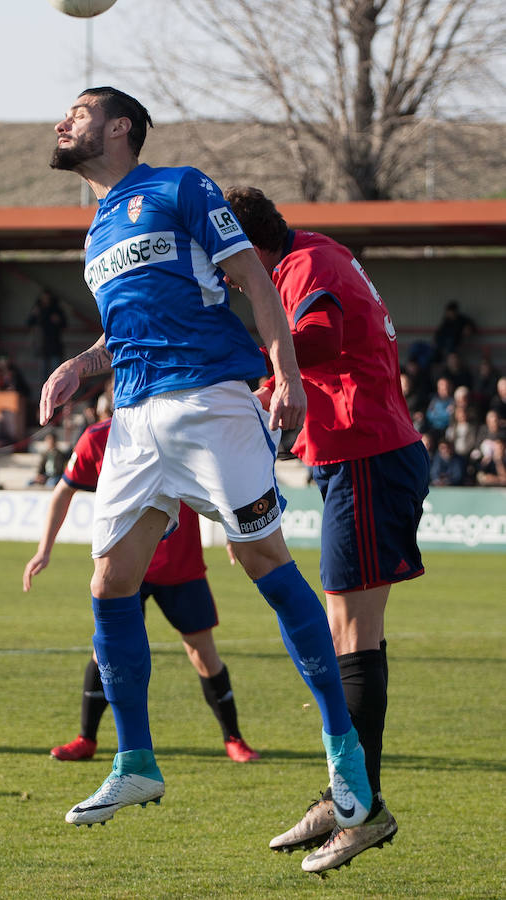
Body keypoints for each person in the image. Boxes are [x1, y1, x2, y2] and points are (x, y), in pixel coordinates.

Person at [41, 86, 371, 853]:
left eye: (79, 112)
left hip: (211, 403)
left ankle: (342, 750)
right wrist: (81, 365)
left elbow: (254, 281)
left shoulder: (181, 186)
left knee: (262, 560)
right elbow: (121, 333)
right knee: (109, 581)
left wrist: (285, 374)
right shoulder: (94, 233)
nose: (62, 122)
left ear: (120, 127)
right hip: (133, 419)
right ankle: (136, 760)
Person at [225, 185, 430, 874]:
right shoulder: (311, 256)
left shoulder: (303, 266)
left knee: (353, 637)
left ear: (247, 244)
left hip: (370, 454)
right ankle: (349, 796)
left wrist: (251, 362)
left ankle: (362, 808)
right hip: (356, 457)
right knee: (345, 633)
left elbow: (322, 337)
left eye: (227, 259)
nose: (227, 275)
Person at [22, 416, 259, 763]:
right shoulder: (97, 438)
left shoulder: (178, 426)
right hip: (122, 567)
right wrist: (44, 549)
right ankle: (86, 738)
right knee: (105, 652)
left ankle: (234, 739)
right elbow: (64, 489)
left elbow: (219, 480)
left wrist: (232, 531)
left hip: (181, 566)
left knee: (203, 653)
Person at [27, 289, 67, 384]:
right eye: (44, 298)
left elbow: (64, 324)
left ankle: (57, 394)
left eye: (47, 298)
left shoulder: (56, 310)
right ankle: (45, 395)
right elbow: (28, 323)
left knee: (57, 373)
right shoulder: (38, 309)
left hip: (54, 345)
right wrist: (34, 314)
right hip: (42, 346)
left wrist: (58, 320)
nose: (46, 300)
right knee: (43, 375)